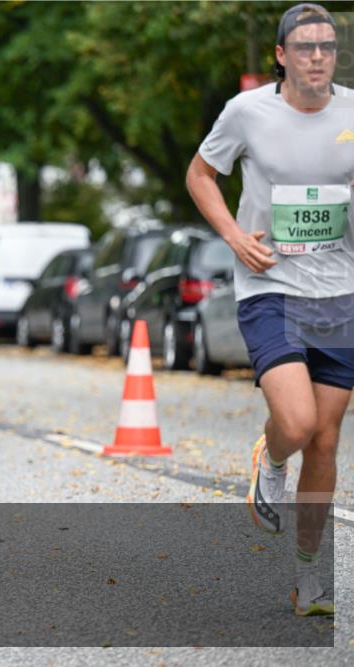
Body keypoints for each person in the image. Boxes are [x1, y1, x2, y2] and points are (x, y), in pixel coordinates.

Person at [186, 3, 353, 617]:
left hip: (340, 292)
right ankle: (272, 454)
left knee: (329, 440)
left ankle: (310, 579)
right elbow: (201, 174)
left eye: (328, 46)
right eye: (305, 46)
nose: (317, 56)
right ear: (281, 55)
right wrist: (234, 236)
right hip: (271, 286)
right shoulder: (247, 112)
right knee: (298, 421)